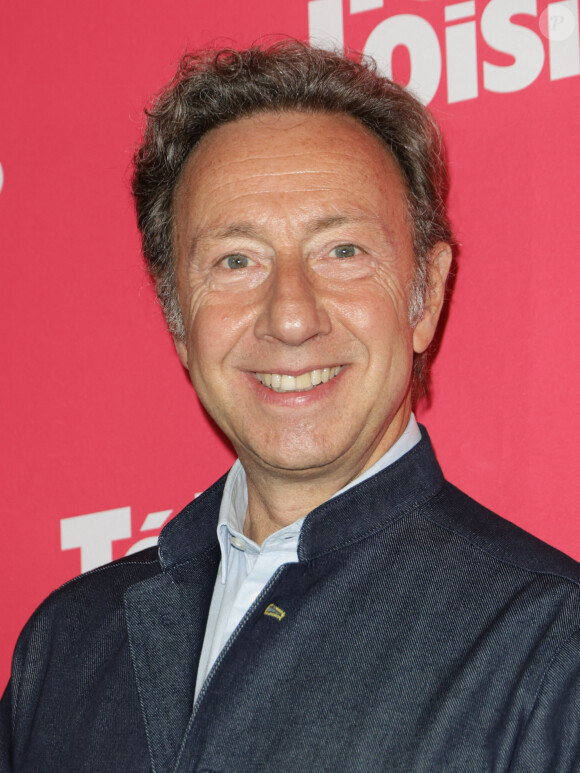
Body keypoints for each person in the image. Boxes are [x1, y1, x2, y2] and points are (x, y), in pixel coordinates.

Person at [1, 41, 579, 773]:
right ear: (178, 316)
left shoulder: (552, 652)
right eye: (236, 260)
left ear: (425, 294)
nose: (292, 316)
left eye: (342, 250)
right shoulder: (67, 645)